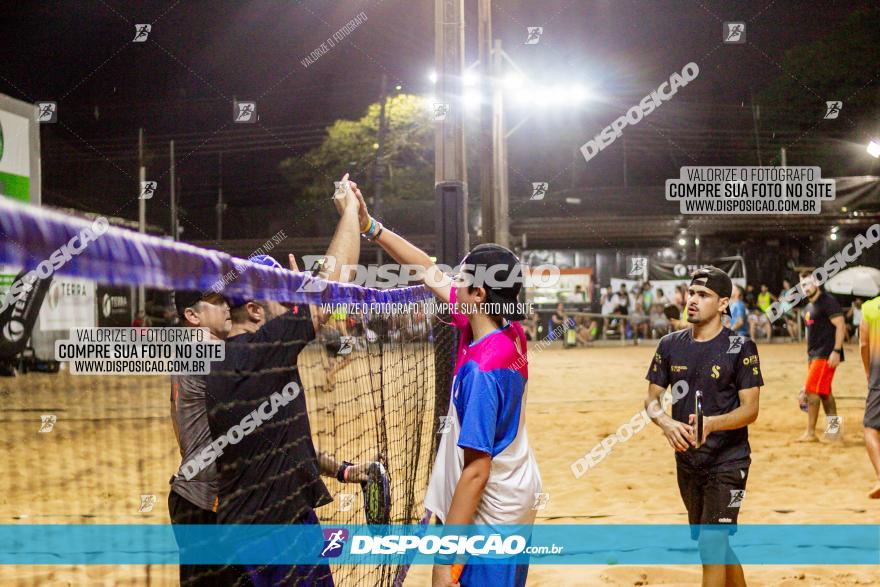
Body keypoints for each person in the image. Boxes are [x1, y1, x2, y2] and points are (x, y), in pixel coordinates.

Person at [355, 190, 541, 587]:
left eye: (462, 277)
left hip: (494, 515)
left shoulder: (481, 369)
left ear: (479, 294)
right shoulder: (509, 332)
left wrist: (445, 559)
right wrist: (371, 227)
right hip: (517, 491)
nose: (452, 280)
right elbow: (427, 270)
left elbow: (476, 471)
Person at [205, 181, 372, 586]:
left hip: (267, 522)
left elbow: (285, 449)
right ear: (255, 309)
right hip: (272, 533)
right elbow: (333, 285)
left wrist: (345, 471)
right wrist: (350, 210)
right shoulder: (254, 353)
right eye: (282, 295)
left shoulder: (242, 357)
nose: (292, 301)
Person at [644, 266, 762, 587]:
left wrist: (711, 423)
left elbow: (751, 410)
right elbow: (651, 400)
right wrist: (666, 423)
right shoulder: (670, 345)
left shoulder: (741, 347)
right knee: (714, 546)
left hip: (729, 462)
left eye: (703, 295)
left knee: (712, 545)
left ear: (724, 303)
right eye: (691, 293)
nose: (692, 300)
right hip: (688, 462)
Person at [168, 290, 235, 587]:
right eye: (217, 302)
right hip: (205, 505)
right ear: (192, 316)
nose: (226, 306)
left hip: (195, 497)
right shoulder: (204, 349)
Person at [797, 270, 846, 442]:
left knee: (812, 391)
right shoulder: (808, 308)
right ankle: (834, 432)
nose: (806, 288)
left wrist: (837, 351)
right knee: (825, 393)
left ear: (816, 283)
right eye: (803, 285)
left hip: (826, 354)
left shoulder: (828, 301)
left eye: (808, 283)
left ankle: (810, 433)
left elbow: (840, 325)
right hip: (814, 356)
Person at [859, 295, 880, 498]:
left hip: (823, 359)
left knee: (871, 427)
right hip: (818, 356)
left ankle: (829, 432)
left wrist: (868, 371)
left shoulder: (870, 308)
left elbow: (863, 345)